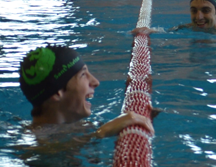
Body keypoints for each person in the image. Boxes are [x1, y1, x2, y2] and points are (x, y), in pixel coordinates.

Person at [19, 45, 153, 139]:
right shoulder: (31, 142)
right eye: (83, 75)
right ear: (57, 92)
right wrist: (100, 133)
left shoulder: (79, 127)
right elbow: (48, 150)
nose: (95, 82)